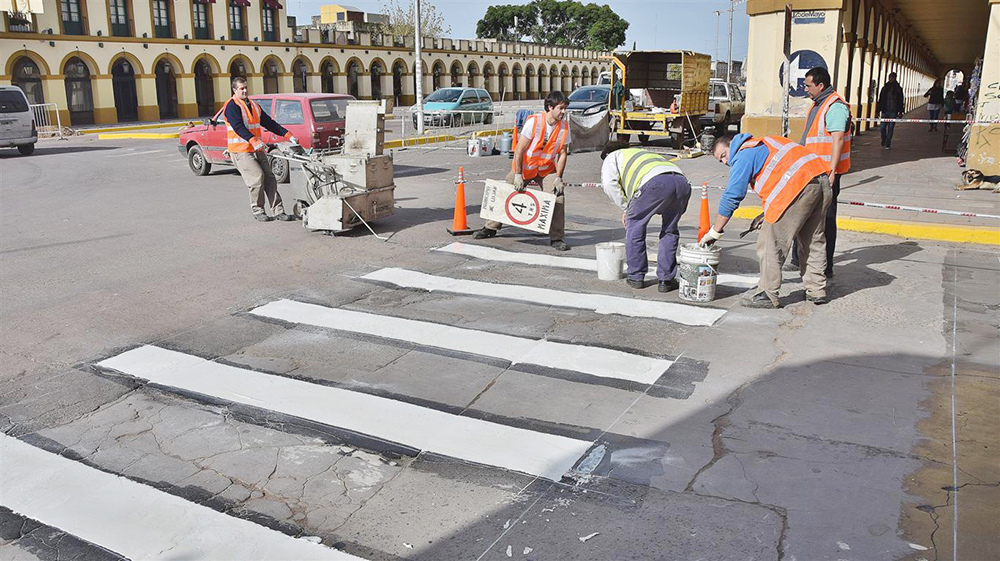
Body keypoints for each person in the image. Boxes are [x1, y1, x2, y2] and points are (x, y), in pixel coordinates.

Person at [701, 134, 832, 308]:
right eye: (720, 161)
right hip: (821, 181)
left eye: (724, 155)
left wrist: (714, 231)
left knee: (770, 243)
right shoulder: (767, 142)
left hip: (798, 187)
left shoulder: (743, 154)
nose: (725, 162)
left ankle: (767, 294)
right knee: (813, 240)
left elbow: (732, 196)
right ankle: (816, 290)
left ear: (732, 145)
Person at [474, 91, 571, 251]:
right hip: (526, 168)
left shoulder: (564, 127)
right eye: (561, 108)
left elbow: (563, 154)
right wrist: (518, 175)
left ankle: (557, 238)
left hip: (546, 169)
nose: (564, 112)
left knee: (558, 196)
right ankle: (490, 227)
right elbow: (519, 150)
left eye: (565, 108)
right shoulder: (534, 123)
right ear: (550, 107)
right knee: (507, 187)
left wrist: (558, 178)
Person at [599, 141, 691, 292]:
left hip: (654, 183)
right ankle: (666, 280)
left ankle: (636, 276)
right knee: (670, 230)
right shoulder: (643, 154)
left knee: (635, 226)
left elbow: (609, 184)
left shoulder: (612, 157)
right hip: (681, 183)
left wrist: (626, 208)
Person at [792, 66, 850, 278]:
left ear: (820, 85)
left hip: (826, 174)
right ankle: (799, 259)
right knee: (806, 215)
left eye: (808, 85)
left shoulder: (834, 106)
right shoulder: (818, 104)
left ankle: (825, 266)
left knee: (825, 221)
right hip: (813, 172)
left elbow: (838, 139)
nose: (805, 89)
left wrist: (832, 171)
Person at [224, 76, 298, 222]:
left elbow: (268, 123)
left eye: (246, 87)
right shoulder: (231, 106)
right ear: (234, 90)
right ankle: (258, 210)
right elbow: (238, 127)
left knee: (270, 177)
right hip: (241, 150)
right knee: (257, 177)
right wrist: (253, 140)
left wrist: (287, 135)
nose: (245, 90)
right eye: (241, 88)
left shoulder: (253, 105)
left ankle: (279, 211)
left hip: (256, 148)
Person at [876, 72, 905, 150]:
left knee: (891, 128)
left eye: (893, 77)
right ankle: (884, 138)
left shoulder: (898, 89)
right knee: (882, 127)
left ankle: (888, 143)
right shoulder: (885, 88)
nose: (891, 79)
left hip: (893, 111)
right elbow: (880, 99)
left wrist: (900, 111)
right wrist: (878, 110)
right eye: (890, 77)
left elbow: (901, 100)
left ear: (895, 78)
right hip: (885, 110)